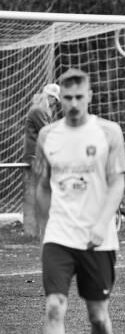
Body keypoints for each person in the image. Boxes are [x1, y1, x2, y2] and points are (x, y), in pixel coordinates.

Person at [33, 69, 125, 334]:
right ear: (60, 100)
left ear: (89, 96)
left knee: (98, 316)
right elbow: (42, 185)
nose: (73, 104)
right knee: (54, 306)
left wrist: (102, 223)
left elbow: (117, 181)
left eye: (78, 97)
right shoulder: (48, 135)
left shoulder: (107, 132)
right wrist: (47, 228)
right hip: (59, 236)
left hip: (98, 239)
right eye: (66, 98)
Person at [23, 84, 60, 236]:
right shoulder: (38, 110)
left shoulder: (42, 109)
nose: (56, 104)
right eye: (55, 100)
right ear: (50, 97)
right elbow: (48, 132)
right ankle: (41, 228)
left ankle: (45, 226)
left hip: (40, 155)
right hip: (35, 156)